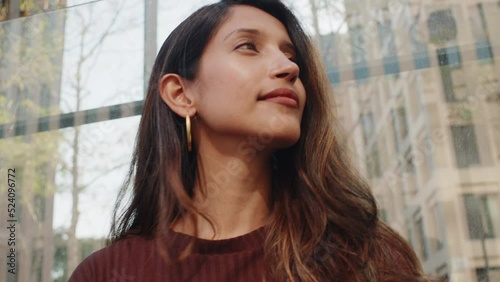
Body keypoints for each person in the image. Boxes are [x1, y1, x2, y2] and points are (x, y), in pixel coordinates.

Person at [69, 0, 429, 281]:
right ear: (180, 94)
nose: (290, 68)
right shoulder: (106, 274)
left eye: (290, 55)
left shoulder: (368, 258)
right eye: (248, 46)